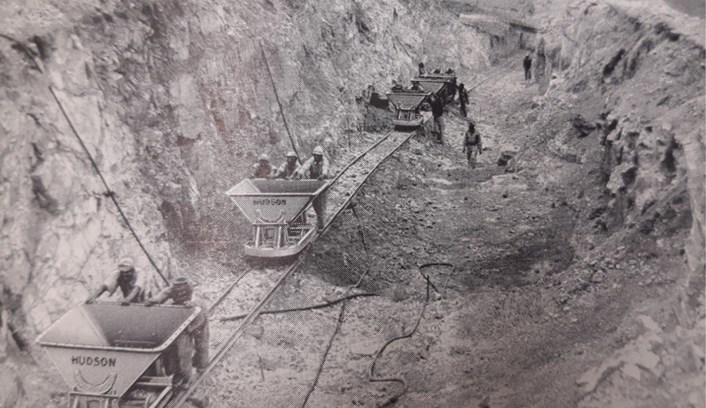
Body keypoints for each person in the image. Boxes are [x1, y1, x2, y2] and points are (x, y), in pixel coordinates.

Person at [146, 277, 209, 386]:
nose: (179, 294)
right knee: (182, 352)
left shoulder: (195, 298)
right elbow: (161, 296)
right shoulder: (172, 289)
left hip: (198, 320)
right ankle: (180, 373)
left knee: (201, 345)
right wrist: (153, 301)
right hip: (183, 317)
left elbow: (197, 304)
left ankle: (201, 368)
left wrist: (192, 304)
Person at [296, 146, 330, 231]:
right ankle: (318, 221)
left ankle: (321, 225)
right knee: (315, 204)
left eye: (318, 155)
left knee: (321, 205)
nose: (316, 157)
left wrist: (323, 175)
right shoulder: (312, 160)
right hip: (314, 183)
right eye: (315, 155)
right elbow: (305, 166)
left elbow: (325, 169)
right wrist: (300, 173)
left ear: (321, 156)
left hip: (322, 184)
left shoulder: (325, 161)